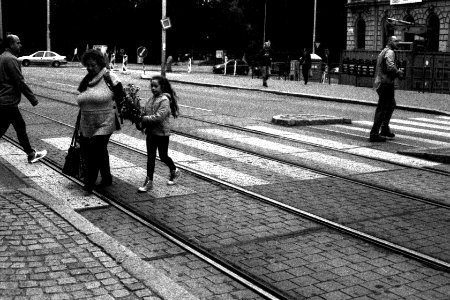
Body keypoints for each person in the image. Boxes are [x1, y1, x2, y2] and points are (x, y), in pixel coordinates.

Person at [77, 49, 124, 194]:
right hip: (87, 122)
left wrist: (116, 109)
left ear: (100, 63)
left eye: (93, 65)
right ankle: (106, 178)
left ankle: (89, 184)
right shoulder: (86, 79)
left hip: (106, 120)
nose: (90, 68)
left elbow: (121, 95)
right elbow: (81, 96)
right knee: (100, 150)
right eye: (88, 66)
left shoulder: (109, 76)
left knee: (94, 150)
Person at [0, 34, 47, 163]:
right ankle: (31, 153)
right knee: (19, 127)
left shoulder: (2, 57)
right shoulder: (10, 59)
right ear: (10, 45)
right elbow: (19, 82)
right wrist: (33, 99)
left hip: (4, 101)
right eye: (18, 43)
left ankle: (30, 153)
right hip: (8, 102)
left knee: (17, 127)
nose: (20, 45)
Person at [137, 75, 180, 192]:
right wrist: (139, 119)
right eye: (152, 86)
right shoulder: (151, 99)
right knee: (150, 157)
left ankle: (174, 170)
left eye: (156, 86)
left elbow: (158, 117)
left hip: (162, 134)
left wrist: (142, 119)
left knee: (163, 156)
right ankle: (149, 181)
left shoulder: (165, 100)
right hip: (151, 133)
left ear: (162, 87)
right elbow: (145, 112)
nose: (153, 88)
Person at [369, 35, 403, 142]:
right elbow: (390, 66)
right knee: (382, 108)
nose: (398, 43)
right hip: (385, 83)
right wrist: (398, 72)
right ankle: (374, 133)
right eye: (396, 41)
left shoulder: (383, 51)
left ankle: (384, 129)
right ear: (390, 42)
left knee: (391, 104)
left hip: (382, 83)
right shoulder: (390, 52)